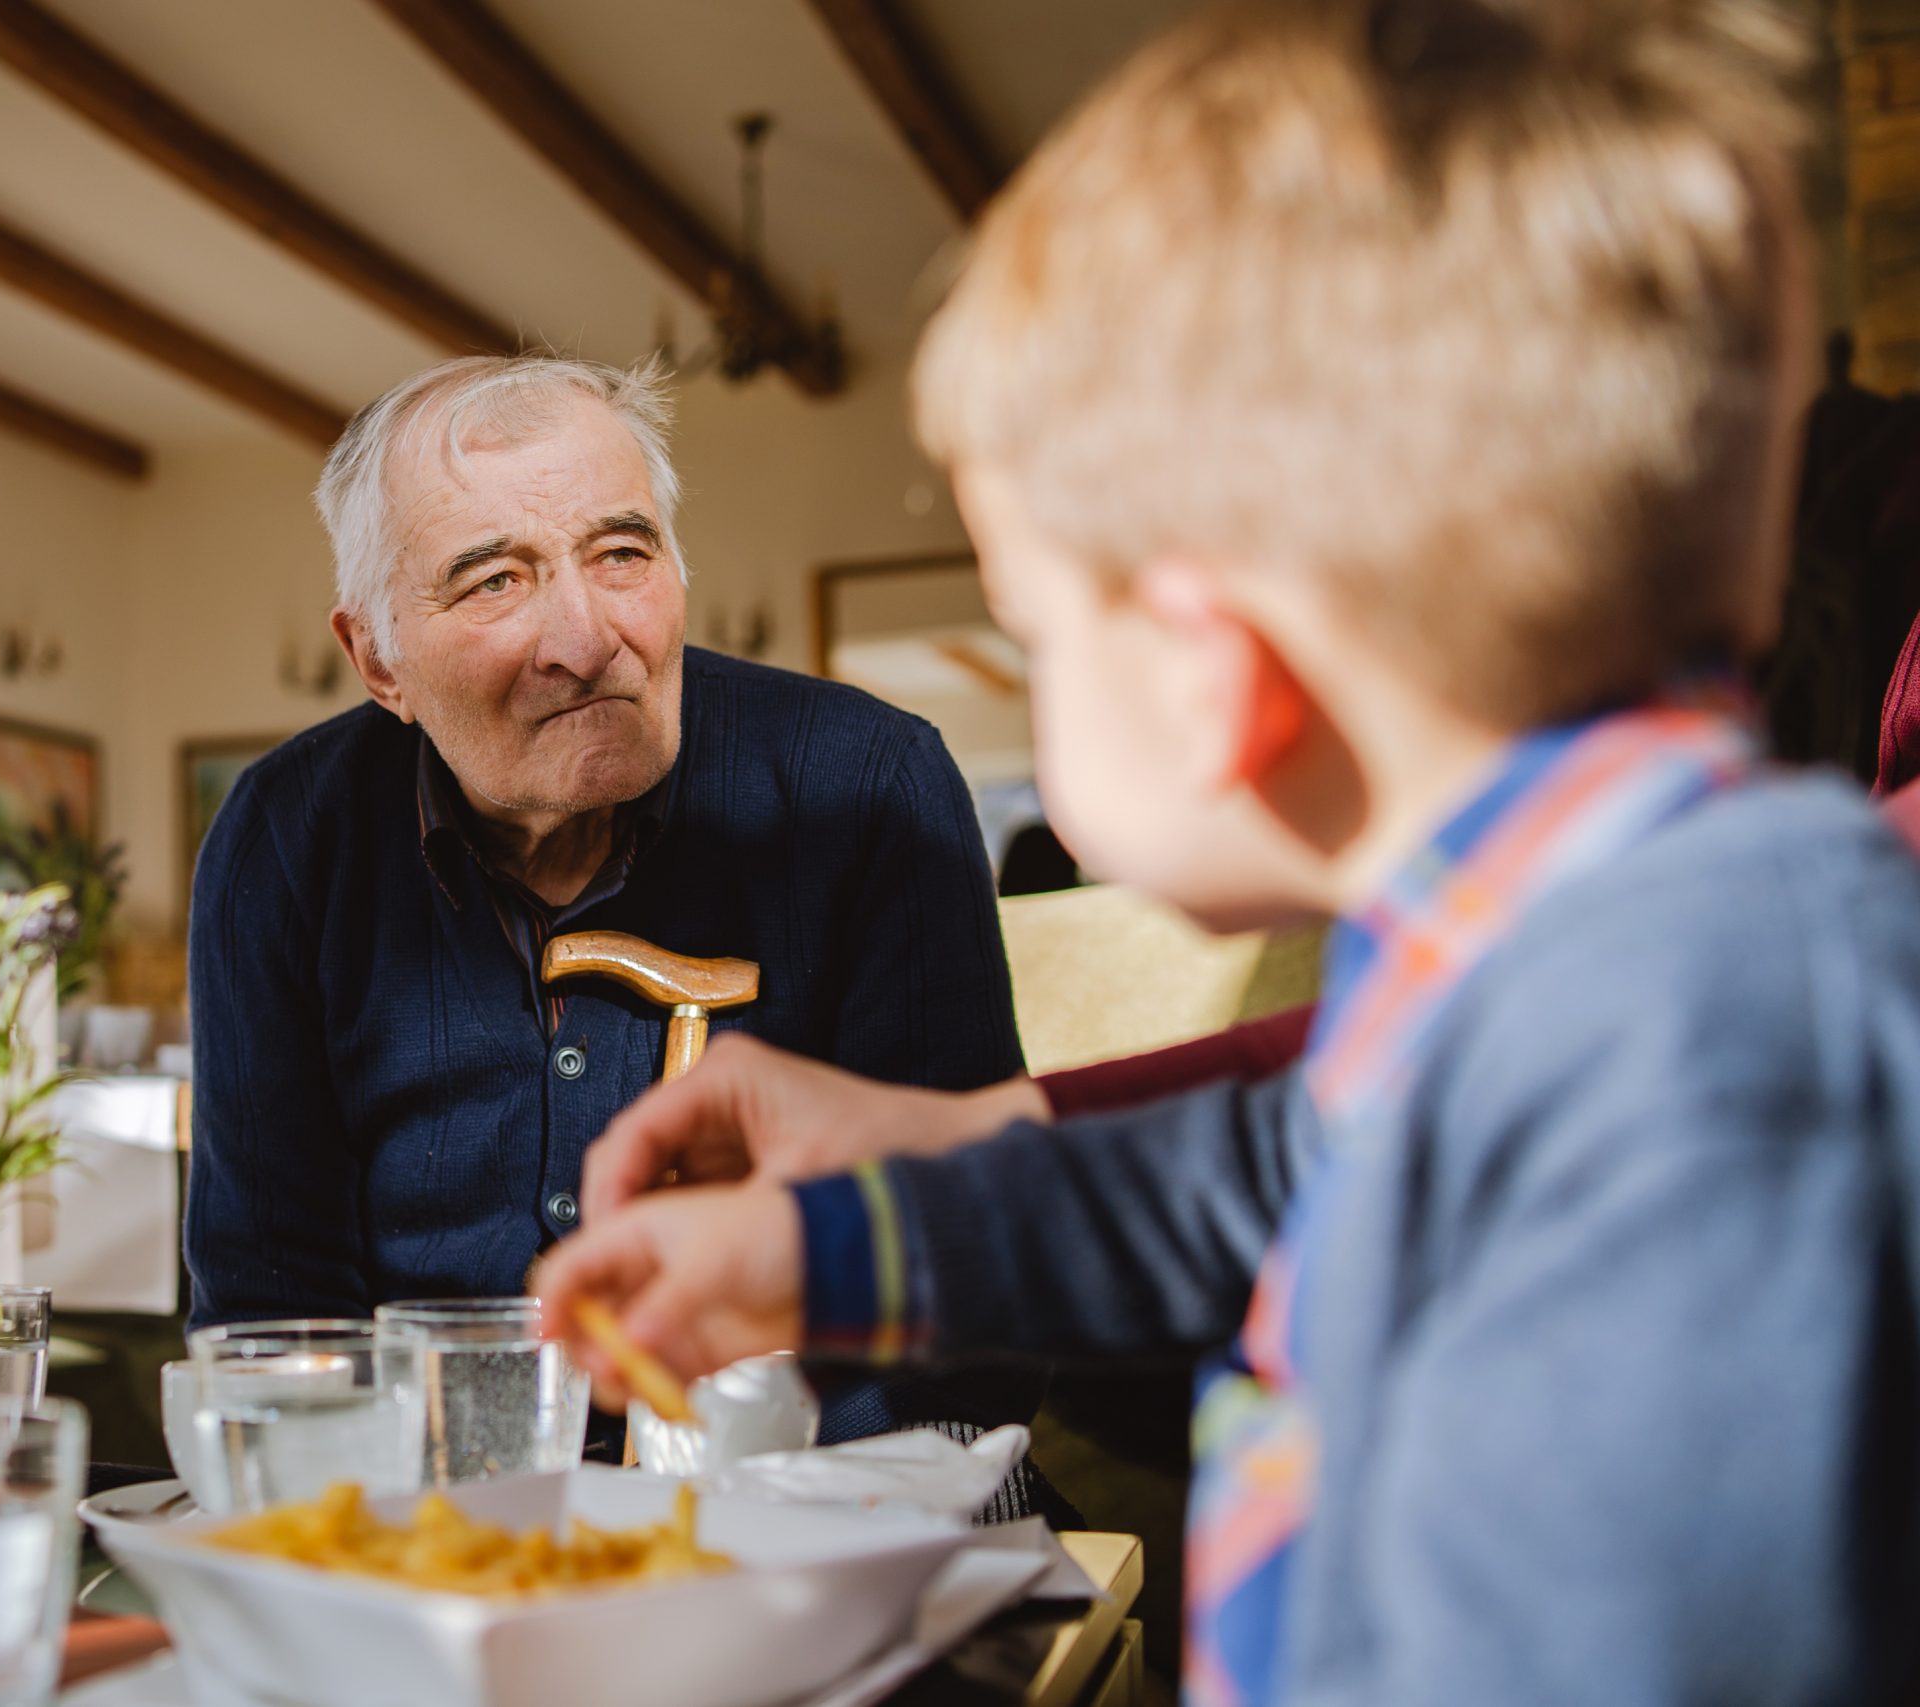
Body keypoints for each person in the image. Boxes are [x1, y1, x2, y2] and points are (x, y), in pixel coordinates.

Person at [539, 2, 1920, 1703]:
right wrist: (828, 1245)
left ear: (1218, 677)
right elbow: (1251, 1176)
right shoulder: (1582, 964)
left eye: (1036, 627)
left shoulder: (1699, 1061)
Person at [184, 353, 1061, 1516]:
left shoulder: (868, 786)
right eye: (494, 581)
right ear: (378, 659)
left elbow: (964, 1284)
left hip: (826, 1493)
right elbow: (269, 1307)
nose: (585, 638)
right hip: (434, 1521)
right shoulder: (282, 844)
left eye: (620, 555)